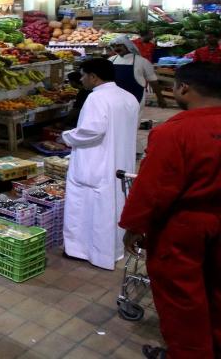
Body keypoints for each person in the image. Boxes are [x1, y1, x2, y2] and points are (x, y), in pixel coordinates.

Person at [119, 62, 221, 359]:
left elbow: (154, 189)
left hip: (183, 228)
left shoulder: (174, 132)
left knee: (182, 299)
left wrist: (134, 227)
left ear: (184, 88)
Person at [61, 57, 140, 270]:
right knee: (114, 206)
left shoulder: (96, 98)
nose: (81, 80)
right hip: (119, 161)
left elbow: (92, 131)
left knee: (88, 208)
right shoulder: (128, 97)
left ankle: (84, 251)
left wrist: (67, 136)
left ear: (93, 77)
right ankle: (112, 249)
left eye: (83, 75)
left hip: (97, 163)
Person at [110, 35, 167, 107]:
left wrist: (160, 98)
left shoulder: (142, 62)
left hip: (136, 99)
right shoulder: (111, 60)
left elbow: (153, 82)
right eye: (113, 46)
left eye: (119, 46)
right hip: (115, 99)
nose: (116, 48)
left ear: (127, 45)